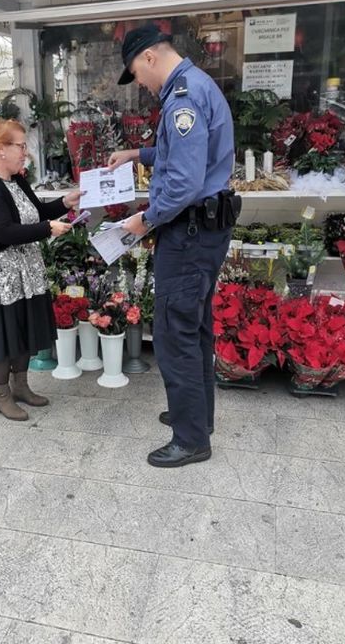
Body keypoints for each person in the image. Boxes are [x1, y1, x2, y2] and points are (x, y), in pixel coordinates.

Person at [108, 24, 239, 469]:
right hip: (204, 232)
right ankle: (196, 417)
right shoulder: (196, 86)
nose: (140, 85)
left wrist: (143, 221)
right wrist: (137, 155)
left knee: (174, 334)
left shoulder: (181, 97)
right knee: (195, 327)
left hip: (187, 235)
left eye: (136, 74)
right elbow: (186, 155)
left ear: (148, 58)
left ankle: (190, 439)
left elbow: (183, 181)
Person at [0, 119, 81, 421]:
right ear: (1, 149)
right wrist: (47, 229)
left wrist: (66, 201)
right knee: (4, 334)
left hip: (23, 269)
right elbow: (6, 232)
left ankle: (21, 386)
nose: (25, 153)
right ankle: (0, 394)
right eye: (21, 146)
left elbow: (36, 212)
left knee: (23, 326)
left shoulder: (15, 179)